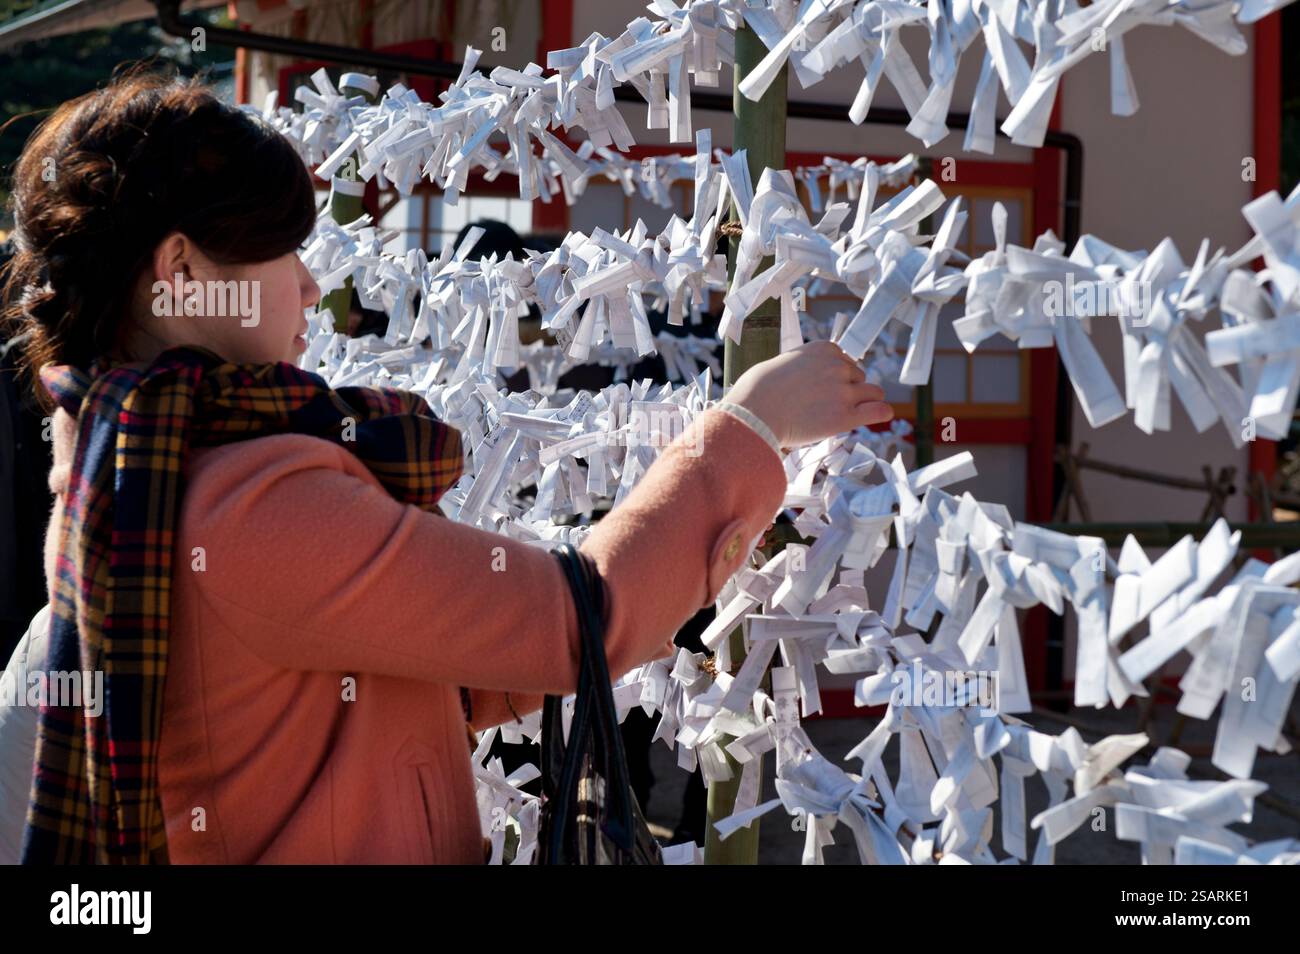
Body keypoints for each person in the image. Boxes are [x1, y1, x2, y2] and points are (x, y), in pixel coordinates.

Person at [0, 70, 892, 864]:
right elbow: (579, 622)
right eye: (280, 250)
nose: (310, 287)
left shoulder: (124, 467)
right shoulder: (243, 501)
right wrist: (753, 422)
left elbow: (327, 700)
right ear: (184, 270)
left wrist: (614, 610)